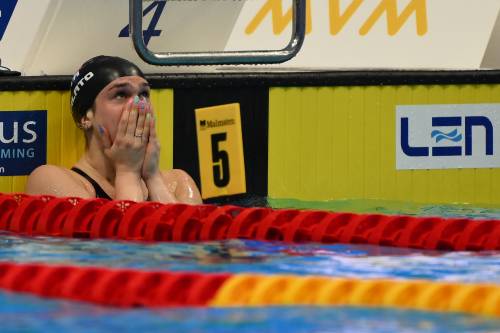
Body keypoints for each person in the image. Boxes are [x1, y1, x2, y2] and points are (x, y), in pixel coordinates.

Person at [26, 55, 202, 204]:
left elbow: (182, 240)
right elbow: (125, 243)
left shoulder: (178, 182)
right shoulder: (50, 180)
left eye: (144, 94)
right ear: (86, 117)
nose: (138, 105)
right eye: (121, 95)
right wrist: (127, 172)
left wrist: (153, 179)